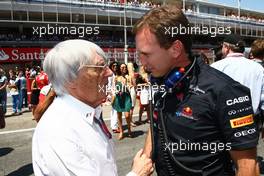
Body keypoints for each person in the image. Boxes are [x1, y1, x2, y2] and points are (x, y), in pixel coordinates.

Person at [134, 5, 259, 176]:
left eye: (146, 54)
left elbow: (248, 167)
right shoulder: (163, 81)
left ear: (175, 49)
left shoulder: (225, 91)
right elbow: (157, 122)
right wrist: (145, 158)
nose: (141, 62)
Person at [32, 39, 153, 176]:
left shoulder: (87, 112)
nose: (109, 73)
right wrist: (137, 174)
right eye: (100, 67)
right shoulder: (58, 130)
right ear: (71, 79)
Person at [211, 35, 264, 116]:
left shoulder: (215, 67)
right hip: (251, 120)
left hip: (224, 119)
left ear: (226, 48)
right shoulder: (258, 68)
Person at [112, 63, 133, 140]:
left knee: (127, 115)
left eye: (125, 67)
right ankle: (121, 132)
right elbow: (114, 87)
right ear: (119, 68)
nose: (124, 68)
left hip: (126, 97)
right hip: (119, 97)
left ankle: (129, 129)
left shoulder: (128, 77)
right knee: (119, 115)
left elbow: (132, 85)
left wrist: (127, 86)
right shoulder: (116, 77)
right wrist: (117, 91)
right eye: (122, 67)